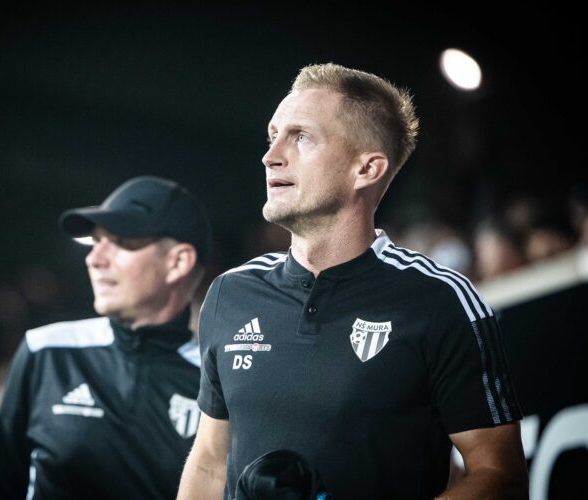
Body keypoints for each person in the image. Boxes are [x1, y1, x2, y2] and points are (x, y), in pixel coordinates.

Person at [178, 63, 528, 499]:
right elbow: (211, 461)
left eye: (301, 137)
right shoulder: (229, 294)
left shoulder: (440, 300)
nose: (271, 156)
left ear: (367, 169)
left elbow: (500, 475)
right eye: (273, 137)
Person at [0, 175, 212, 499]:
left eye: (121, 241)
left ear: (178, 262)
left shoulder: (218, 379)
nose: (94, 259)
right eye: (96, 241)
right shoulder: (47, 351)